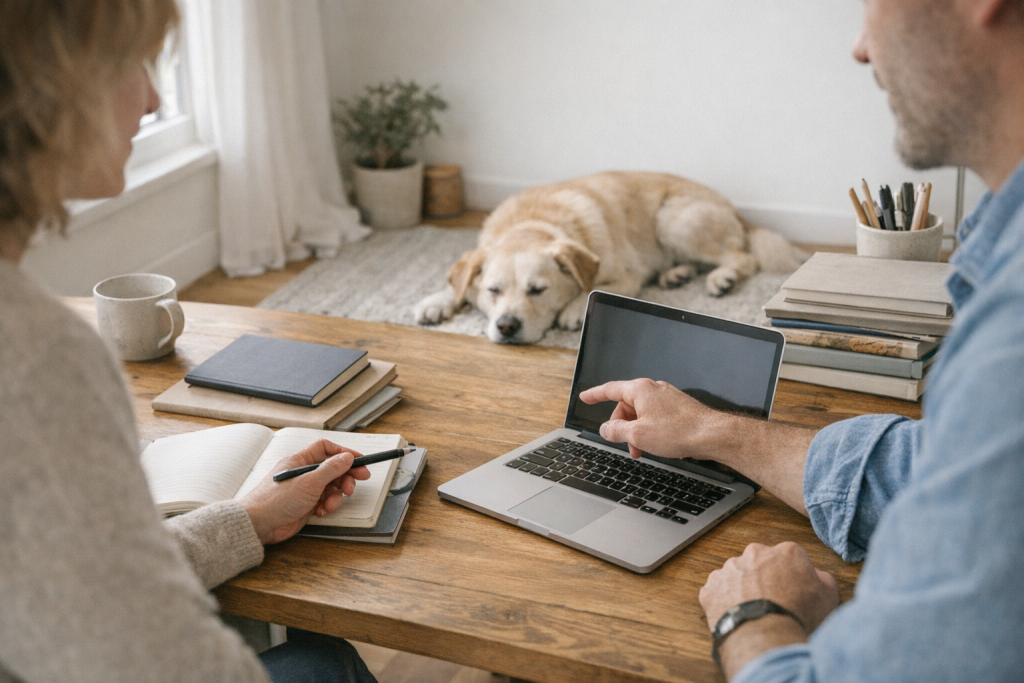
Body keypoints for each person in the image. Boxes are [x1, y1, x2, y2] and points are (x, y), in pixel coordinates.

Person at [581, 0, 1024, 681]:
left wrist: (751, 615)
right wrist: (710, 430)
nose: (860, 48)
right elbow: (934, 464)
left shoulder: (1008, 339)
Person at [0, 2, 377, 681]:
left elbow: (78, 582)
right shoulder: (34, 355)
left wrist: (247, 520)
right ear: (48, 85)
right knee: (326, 667)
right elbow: (152, 657)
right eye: (131, 65)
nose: (151, 98)